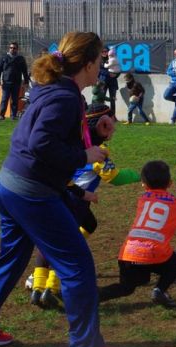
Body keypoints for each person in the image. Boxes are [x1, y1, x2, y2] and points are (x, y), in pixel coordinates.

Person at [0, 31, 123, 347]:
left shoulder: (57, 89)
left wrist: (93, 135)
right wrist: (86, 153)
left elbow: (47, 136)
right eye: (101, 61)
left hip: (10, 184)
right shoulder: (65, 97)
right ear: (89, 64)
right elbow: (41, 144)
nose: (102, 67)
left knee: (11, 260)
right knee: (77, 265)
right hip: (31, 192)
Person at [28, 103, 141, 309]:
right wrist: (138, 175)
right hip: (75, 201)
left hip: (57, 195)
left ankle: (37, 287)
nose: (114, 127)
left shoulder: (73, 142)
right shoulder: (99, 150)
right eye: (112, 122)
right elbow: (113, 177)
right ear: (101, 124)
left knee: (86, 225)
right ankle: (50, 290)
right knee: (64, 245)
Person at [98, 160, 176, 308]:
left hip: (128, 254)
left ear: (144, 185)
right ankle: (159, 290)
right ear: (170, 183)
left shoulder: (143, 199)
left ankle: (90, 297)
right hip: (155, 254)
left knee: (126, 288)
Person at [0, 41, 29, 121]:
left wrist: (26, 82)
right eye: (11, 48)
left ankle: (13, 115)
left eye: (14, 48)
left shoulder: (20, 59)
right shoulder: (4, 57)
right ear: (9, 48)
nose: (12, 49)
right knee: (4, 99)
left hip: (16, 82)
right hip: (6, 82)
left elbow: (25, 71)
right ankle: (1, 115)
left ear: (17, 49)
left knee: (14, 100)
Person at [98, 46, 120, 115]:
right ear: (100, 53)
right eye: (102, 51)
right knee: (101, 99)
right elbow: (98, 71)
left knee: (112, 100)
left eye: (106, 51)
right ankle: (100, 115)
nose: (104, 53)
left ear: (109, 52)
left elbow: (118, 70)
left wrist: (116, 75)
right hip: (102, 83)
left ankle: (113, 116)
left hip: (112, 83)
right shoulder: (98, 60)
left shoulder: (113, 59)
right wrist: (108, 73)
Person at [164, 47, 176, 124]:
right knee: (166, 95)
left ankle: (173, 119)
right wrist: (175, 73)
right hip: (173, 83)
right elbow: (168, 71)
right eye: (175, 53)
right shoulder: (173, 62)